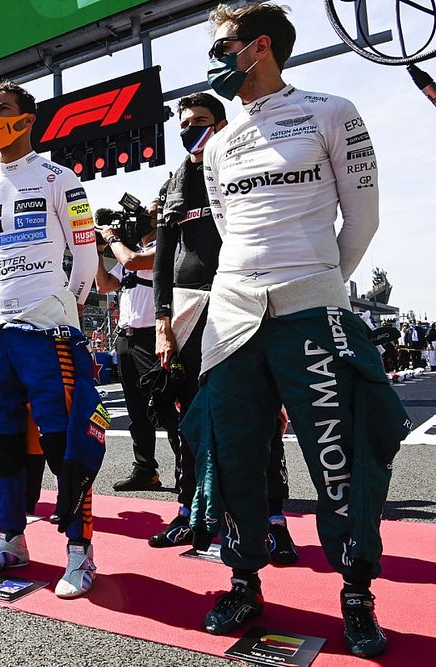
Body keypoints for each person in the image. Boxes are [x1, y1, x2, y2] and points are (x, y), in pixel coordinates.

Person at [185, 4, 408, 657]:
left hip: (312, 306)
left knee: (342, 454)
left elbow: (361, 220)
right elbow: (229, 230)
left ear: (257, 47)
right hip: (233, 314)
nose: (212, 59)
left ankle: (357, 593)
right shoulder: (218, 144)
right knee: (231, 451)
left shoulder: (332, 110)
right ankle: (244, 578)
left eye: (221, 46)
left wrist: (316, 286)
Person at [0, 81, 104, 598]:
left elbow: (86, 256)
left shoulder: (61, 178)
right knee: (3, 443)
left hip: (49, 326)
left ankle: (79, 551)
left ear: (27, 119)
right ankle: (10, 539)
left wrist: (67, 305)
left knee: (64, 438)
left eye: (2, 110)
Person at [149, 92, 296, 561]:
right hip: (189, 314)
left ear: (223, 122)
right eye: (185, 124)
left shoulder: (242, 166)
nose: (192, 130)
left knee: (261, 416)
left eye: (202, 121)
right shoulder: (173, 181)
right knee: (188, 421)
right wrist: (162, 319)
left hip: (243, 303)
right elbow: (162, 262)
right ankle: (190, 511)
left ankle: (274, 520)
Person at [94, 205, 179, 495]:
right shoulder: (126, 251)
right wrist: (97, 250)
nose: (141, 216)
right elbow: (105, 285)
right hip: (127, 339)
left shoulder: (167, 245)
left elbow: (132, 262)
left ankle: (186, 471)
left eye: (149, 212)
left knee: (167, 408)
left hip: (153, 338)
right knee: (137, 412)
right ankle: (145, 470)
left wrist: (112, 238)